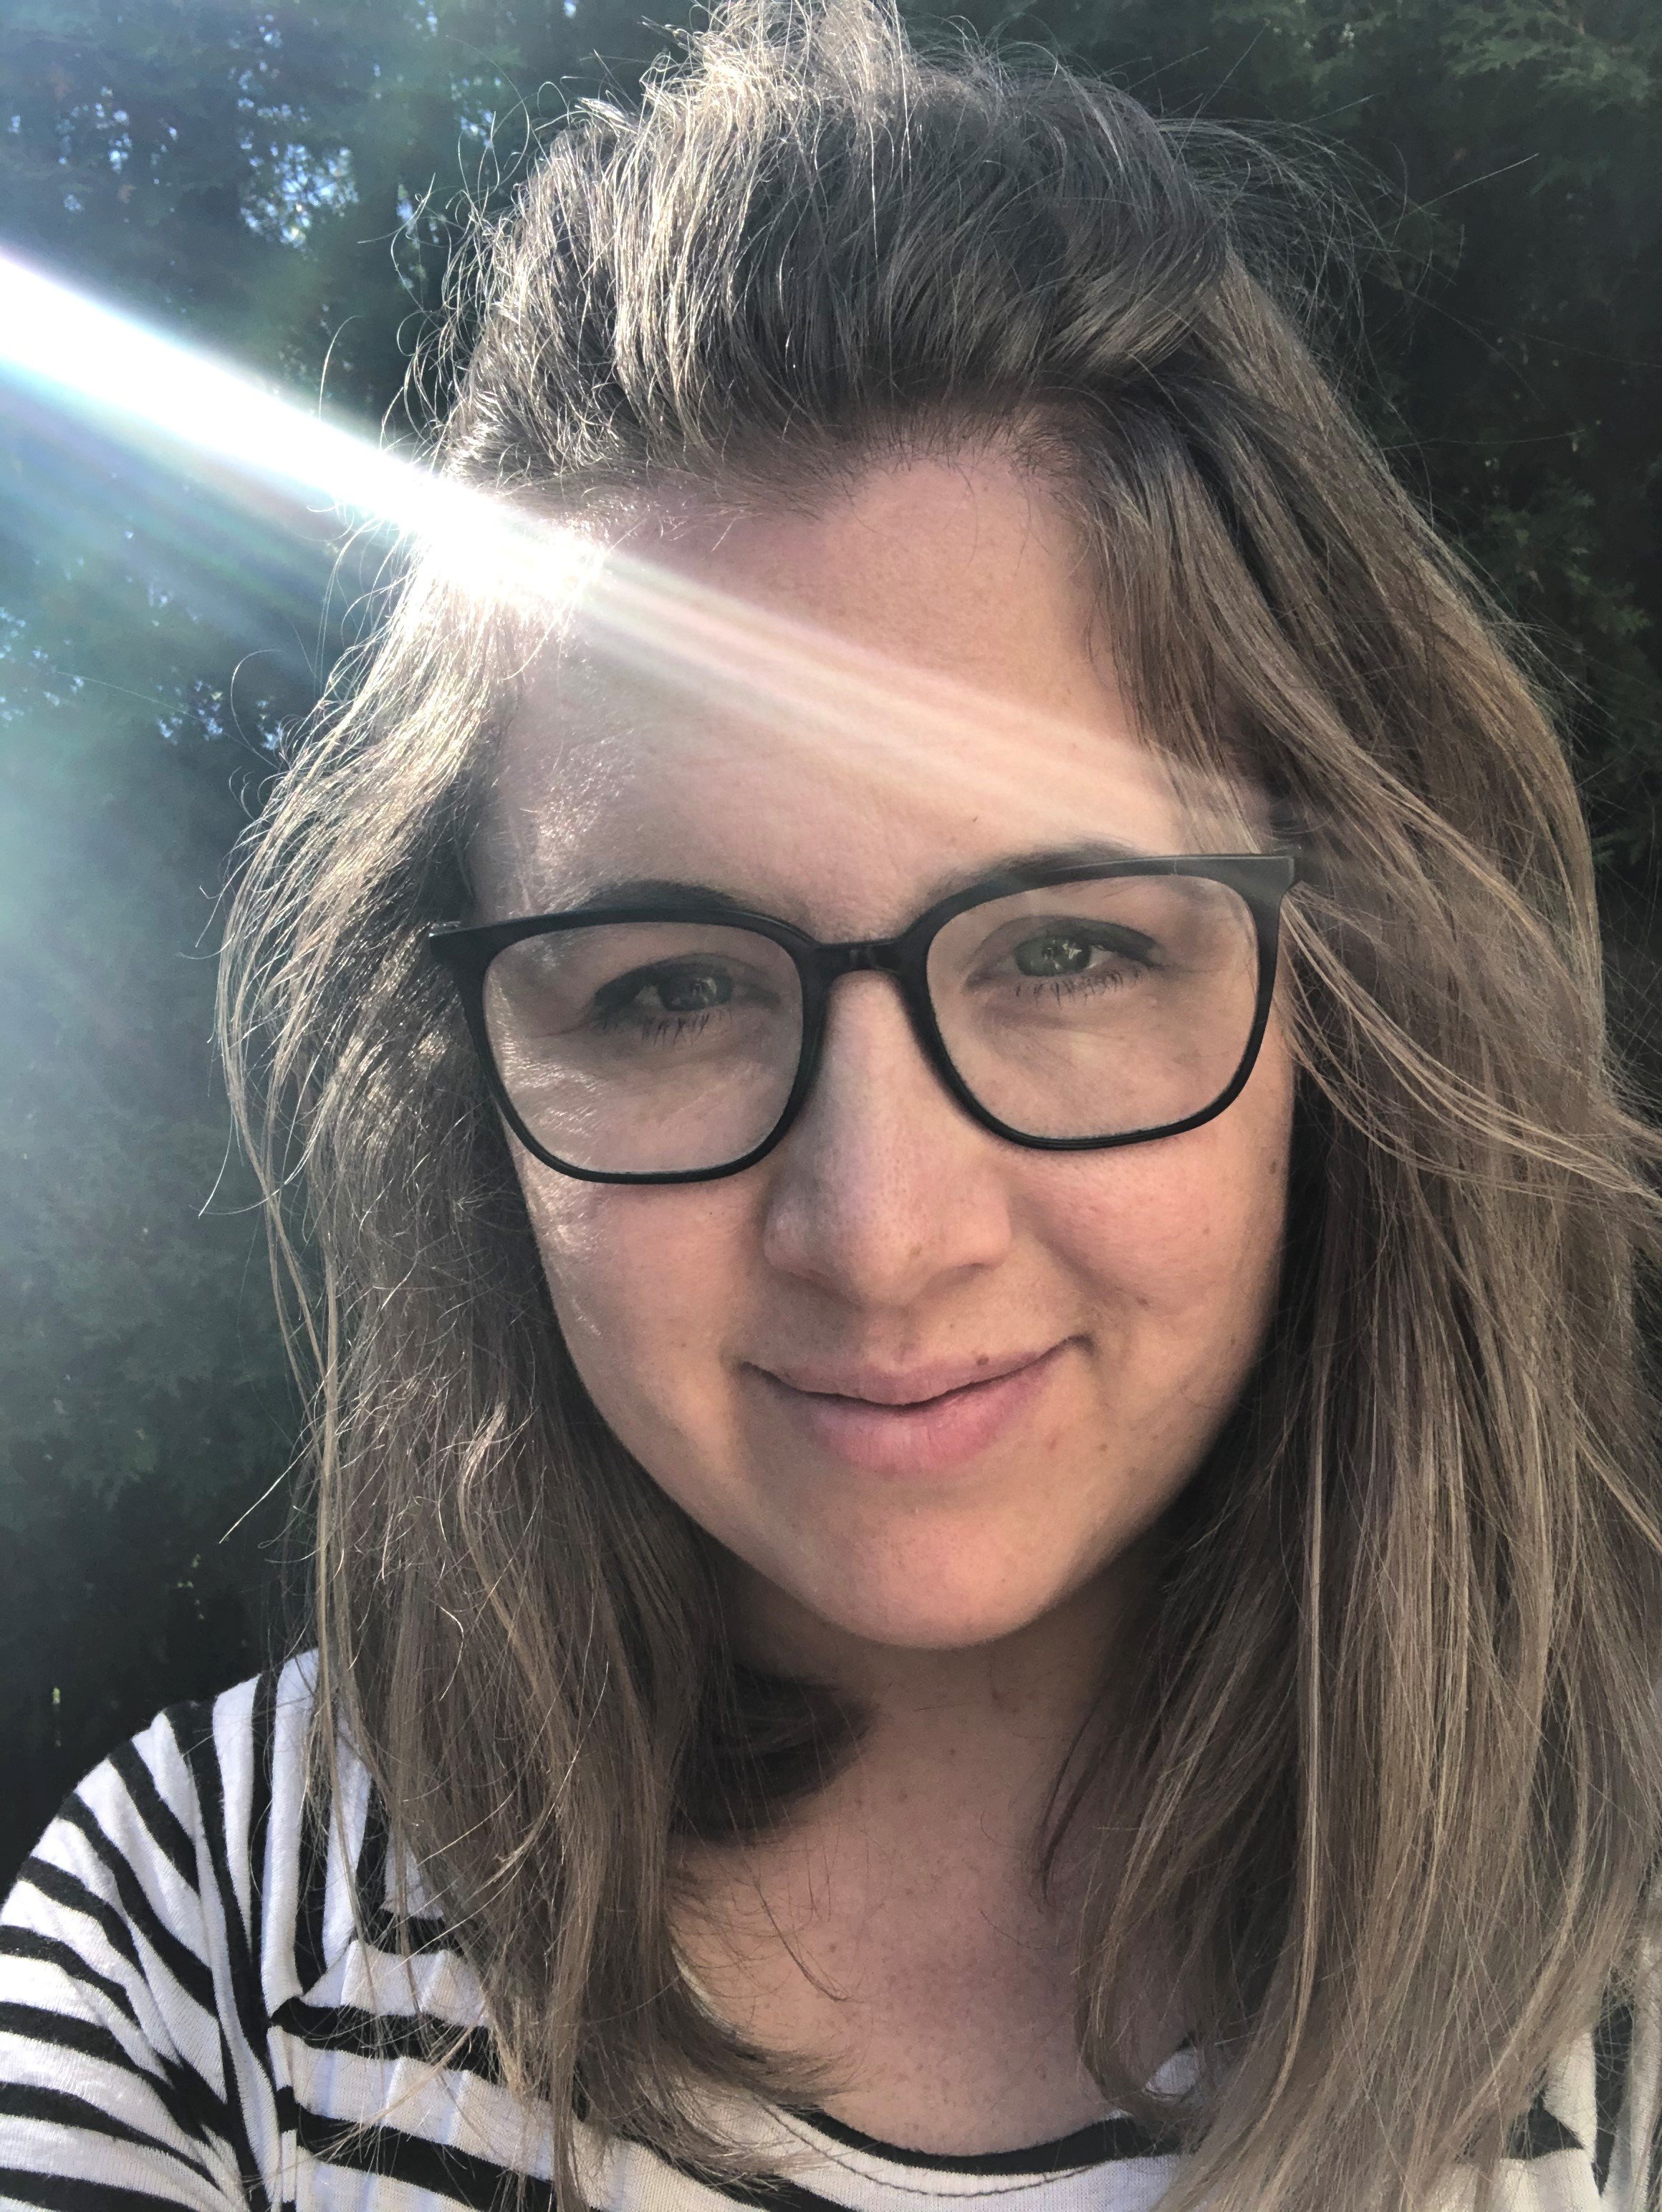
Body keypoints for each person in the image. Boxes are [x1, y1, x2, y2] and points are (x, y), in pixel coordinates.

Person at [4, 2, 1661, 2208]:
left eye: (1068, 953)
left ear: (1340, 996)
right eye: (672, 991)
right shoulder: (196, 1953)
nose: (878, 1231)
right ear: (475, 1076)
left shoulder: (1617, 1937)